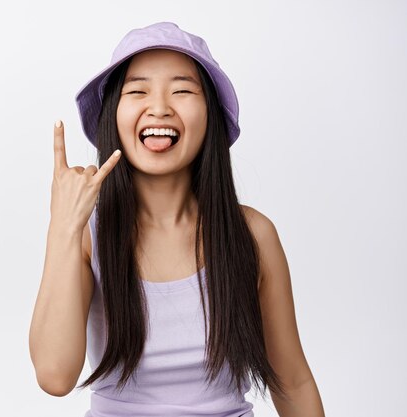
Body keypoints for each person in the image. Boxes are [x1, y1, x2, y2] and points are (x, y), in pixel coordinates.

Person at [29, 22, 325, 417]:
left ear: (211, 116)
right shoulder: (85, 235)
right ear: (113, 115)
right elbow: (54, 376)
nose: (160, 107)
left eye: (182, 90)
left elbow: (293, 381)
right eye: (137, 91)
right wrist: (63, 226)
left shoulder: (253, 235)